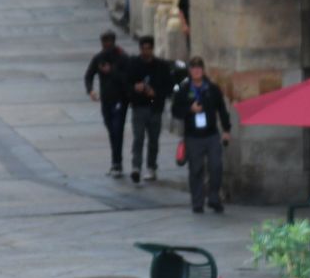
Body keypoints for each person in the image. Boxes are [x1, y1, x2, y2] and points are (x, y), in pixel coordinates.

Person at [171, 57, 232, 214]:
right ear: (190, 71)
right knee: (196, 169)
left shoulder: (212, 88)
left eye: (199, 68)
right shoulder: (184, 89)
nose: (197, 71)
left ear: (203, 70)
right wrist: (189, 110)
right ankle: (197, 202)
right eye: (194, 68)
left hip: (211, 134)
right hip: (193, 136)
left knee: (216, 166)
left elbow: (222, 109)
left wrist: (226, 130)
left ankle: (214, 198)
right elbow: (175, 111)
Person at [126, 36, 174, 183]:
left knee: (153, 139)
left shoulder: (161, 66)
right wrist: (135, 88)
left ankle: (151, 166)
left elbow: (169, 87)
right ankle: (136, 167)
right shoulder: (134, 64)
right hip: (139, 106)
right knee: (138, 138)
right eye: (143, 49)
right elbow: (125, 84)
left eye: (148, 49)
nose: (145, 52)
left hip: (155, 107)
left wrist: (155, 93)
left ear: (152, 49)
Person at [85, 30, 130, 177]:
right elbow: (89, 75)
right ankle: (115, 161)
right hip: (106, 100)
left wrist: (111, 71)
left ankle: (117, 162)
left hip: (120, 100)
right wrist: (90, 90)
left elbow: (127, 78)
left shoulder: (122, 57)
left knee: (117, 130)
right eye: (104, 42)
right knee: (111, 130)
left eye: (109, 42)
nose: (106, 45)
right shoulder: (99, 58)